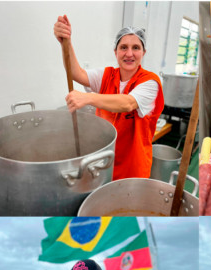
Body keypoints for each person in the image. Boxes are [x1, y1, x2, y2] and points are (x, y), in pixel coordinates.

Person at [53, 17, 164, 180]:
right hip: (103, 162)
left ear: (143, 52)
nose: (129, 54)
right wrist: (66, 43)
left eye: (136, 48)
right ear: (116, 51)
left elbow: (128, 103)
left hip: (132, 167)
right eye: (123, 47)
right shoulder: (107, 75)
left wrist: (89, 97)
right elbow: (77, 73)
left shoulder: (150, 81)